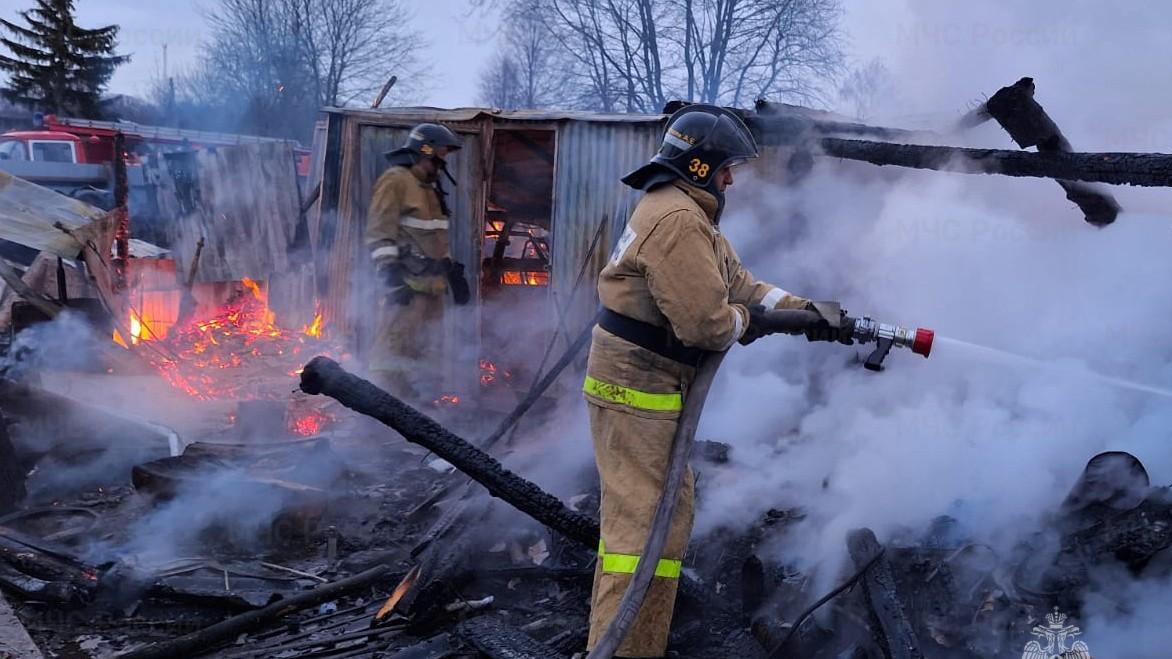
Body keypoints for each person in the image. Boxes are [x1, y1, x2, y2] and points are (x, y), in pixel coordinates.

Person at [583, 104, 848, 657]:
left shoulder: (688, 213)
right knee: (640, 539)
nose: (732, 178)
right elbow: (707, 324)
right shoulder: (678, 220)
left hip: (651, 388)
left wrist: (806, 311)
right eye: (727, 166)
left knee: (665, 524)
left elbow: (741, 285)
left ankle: (639, 646)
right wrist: (751, 323)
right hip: (637, 389)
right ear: (700, 166)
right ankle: (621, 649)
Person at [365, 123, 471, 401]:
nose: (444, 161)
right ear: (427, 151)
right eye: (442, 154)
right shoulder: (396, 180)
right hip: (405, 290)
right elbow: (379, 234)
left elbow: (433, 237)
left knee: (427, 352)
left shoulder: (429, 188)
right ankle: (377, 413)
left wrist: (452, 271)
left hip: (432, 289)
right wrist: (391, 279)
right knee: (391, 353)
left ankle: (418, 410)